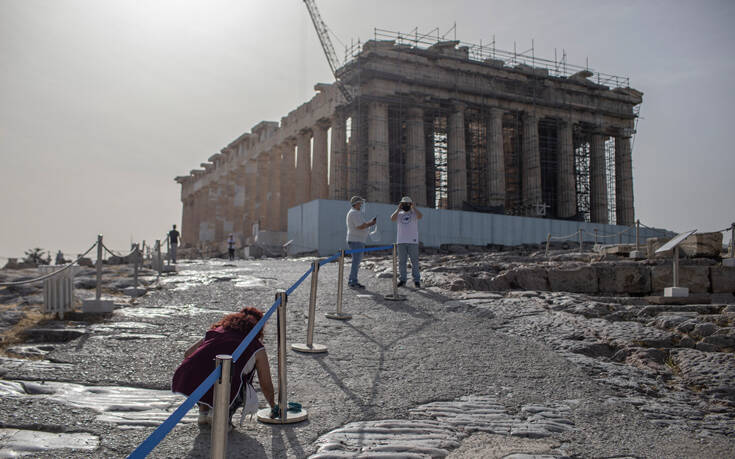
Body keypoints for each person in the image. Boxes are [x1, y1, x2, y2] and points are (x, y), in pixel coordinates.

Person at [172, 307, 275, 426]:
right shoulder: (256, 347)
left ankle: (204, 412)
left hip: (194, 382)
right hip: (228, 390)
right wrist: (273, 406)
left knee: (203, 372)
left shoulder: (216, 332)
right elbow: (265, 383)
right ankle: (221, 415)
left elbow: (188, 353)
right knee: (238, 381)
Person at [390, 196, 423, 288]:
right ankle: (402, 280)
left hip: (413, 241)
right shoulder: (399, 214)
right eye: (404, 204)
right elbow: (392, 218)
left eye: (407, 204)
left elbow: (420, 216)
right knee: (402, 262)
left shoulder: (414, 214)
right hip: (401, 241)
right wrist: (398, 209)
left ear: (411, 204)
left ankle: (416, 280)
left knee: (414, 262)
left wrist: (413, 207)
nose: (405, 205)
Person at [345, 196, 376, 289]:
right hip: (356, 241)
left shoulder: (356, 213)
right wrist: (371, 223)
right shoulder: (354, 213)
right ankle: (352, 281)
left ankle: (353, 280)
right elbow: (360, 226)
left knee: (356, 261)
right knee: (356, 262)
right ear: (356, 204)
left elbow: (361, 225)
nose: (361, 204)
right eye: (360, 203)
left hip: (358, 240)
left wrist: (369, 224)